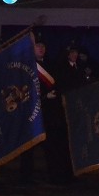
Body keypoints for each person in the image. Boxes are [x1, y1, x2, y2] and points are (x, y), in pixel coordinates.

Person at [20, 30, 74, 185]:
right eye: (37, 46)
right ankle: (26, 178)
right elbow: (26, 90)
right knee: (28, 149)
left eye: (42, 45)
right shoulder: (27, 66)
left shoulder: (51, 65)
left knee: (53, 147)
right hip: (33, 113)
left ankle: (56, 176)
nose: (41, 48)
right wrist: (43, 97)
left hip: (50, 114)